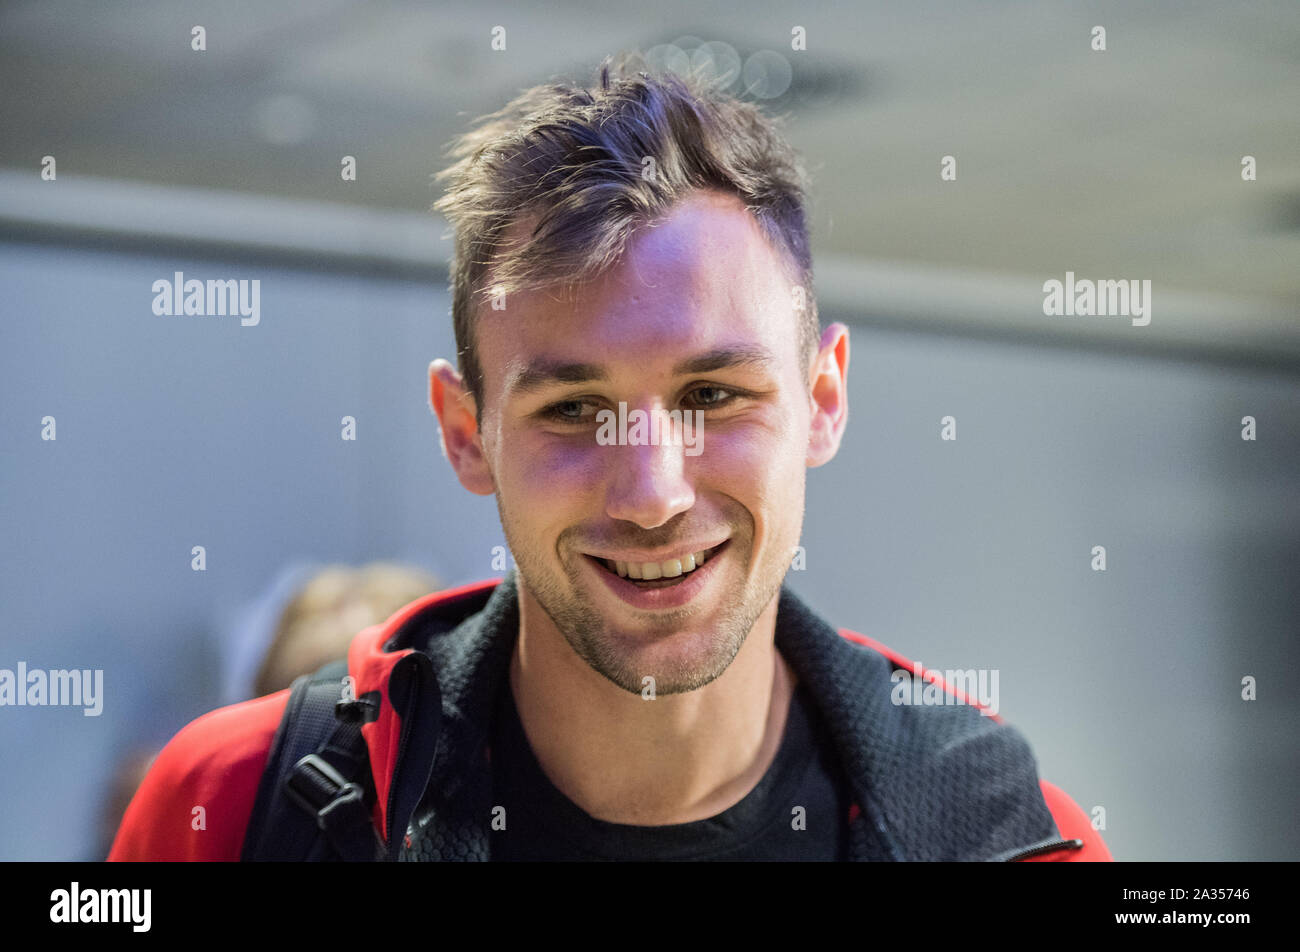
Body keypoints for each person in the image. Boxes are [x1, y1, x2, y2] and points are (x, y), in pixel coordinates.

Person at [109, 52, 1110, 862]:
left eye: (712, 395)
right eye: (576, 409)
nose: (650, 494)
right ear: (467, 433)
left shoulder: (1004, 835)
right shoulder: (233, 810)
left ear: (820, 398)